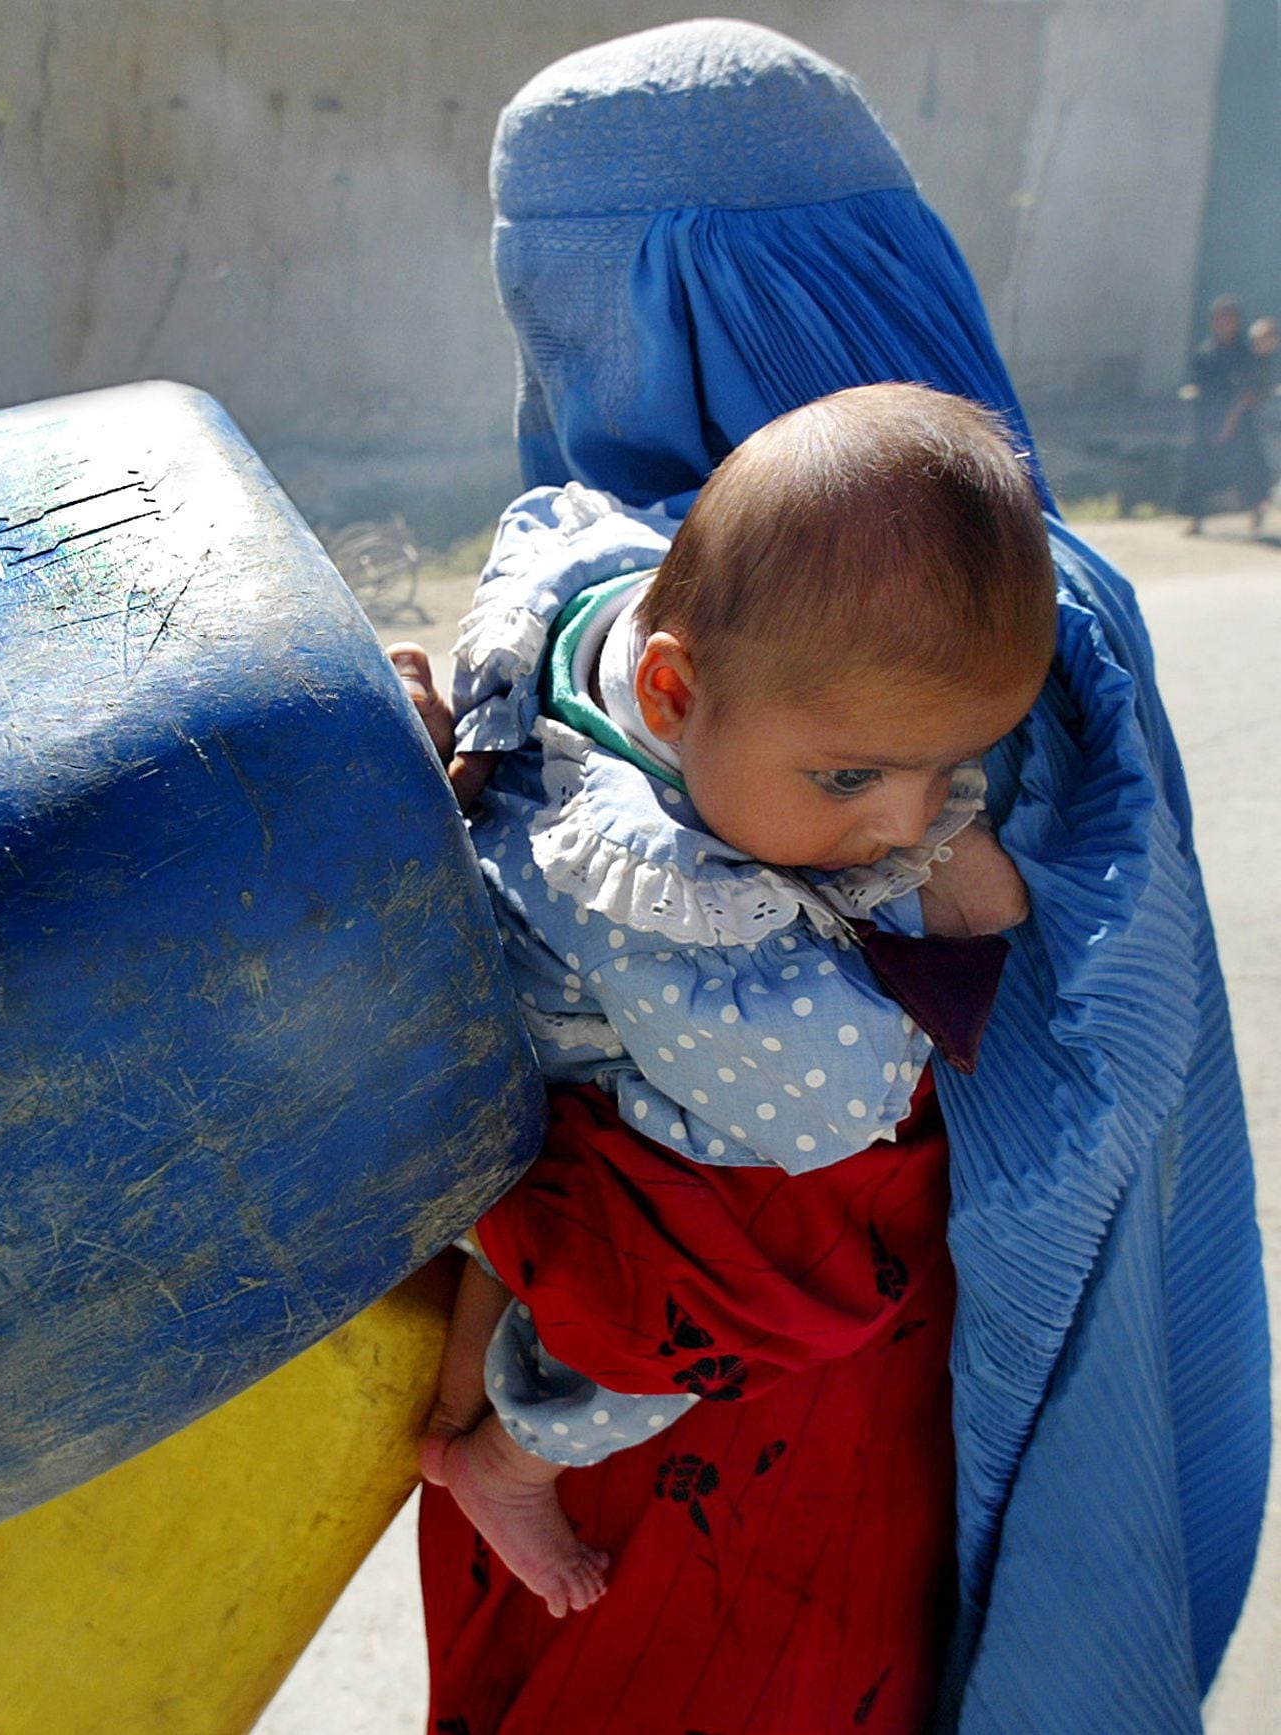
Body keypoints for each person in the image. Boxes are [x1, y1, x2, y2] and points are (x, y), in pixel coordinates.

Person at [397, 21, 1267, 1733]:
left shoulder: (912, 633)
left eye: (592, 305)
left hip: (757, 1434)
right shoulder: (913, 585)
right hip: (697, 1389)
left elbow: (996, 1094)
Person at [413, 382, 1054, 1622]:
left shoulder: (616, 596)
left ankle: (477, 1381)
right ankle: (514, 1458)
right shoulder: (666, 907)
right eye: (852, 775)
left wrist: (861, 799)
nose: (903, 821)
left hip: (504, 1044)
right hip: (557, 1099)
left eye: (947, 770)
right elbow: (832, 1105)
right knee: (749, 1308)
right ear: (667, 695)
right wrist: (924, 904)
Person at [1179, 295, 1271, 534]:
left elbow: (1258, 383)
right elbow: (1198, 386)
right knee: (1200, 468)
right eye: (1220, 318)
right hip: (1211, 419)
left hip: (1241, 422)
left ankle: (1256, 510)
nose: (1225, 323)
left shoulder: (1246, 353)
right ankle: (1197, 518)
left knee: (1250, 466)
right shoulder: (1206, 354)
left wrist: (1249, 400)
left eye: (1229, 318)